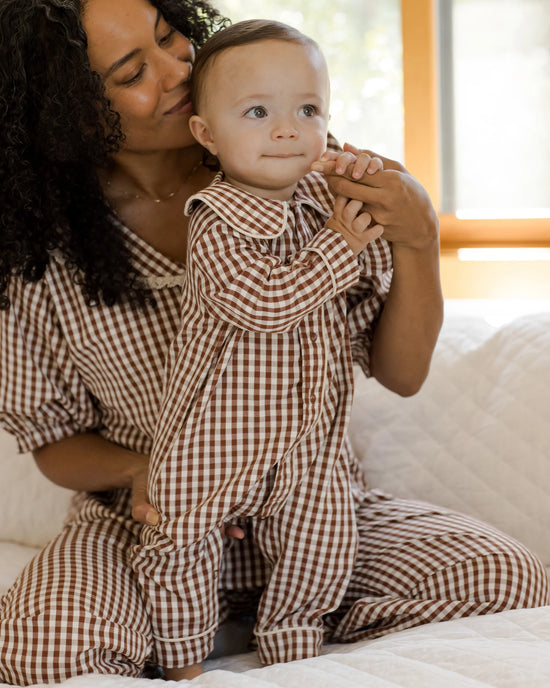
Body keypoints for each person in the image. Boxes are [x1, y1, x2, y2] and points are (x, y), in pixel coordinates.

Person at [0, 0, 547, 685]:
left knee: (503, 575)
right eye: (134, 69)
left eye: (173, 38)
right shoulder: (37, 250)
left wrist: (418, 237)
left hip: (314, 508)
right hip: (153, 520)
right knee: (45, 648)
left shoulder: (300, 169)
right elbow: (55, 445)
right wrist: (156, 473)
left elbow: (401, 375)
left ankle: (276, 618)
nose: (177, 70)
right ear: (67, 112)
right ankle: (188, 621)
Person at [132, 19, 386, 679]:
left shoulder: (322, 201)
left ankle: (292, 652)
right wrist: (340, 242)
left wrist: (360, 185)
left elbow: (372, 275)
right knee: (180, 545)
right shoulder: (214, 219)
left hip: (308, 445)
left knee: (321, 547)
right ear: (207, 136)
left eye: (308, 110)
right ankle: (186, 663)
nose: (286, 130)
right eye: (258, 112)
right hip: (212, 440)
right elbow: (265, 304)